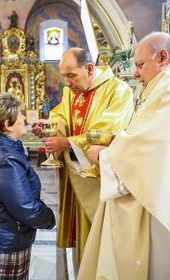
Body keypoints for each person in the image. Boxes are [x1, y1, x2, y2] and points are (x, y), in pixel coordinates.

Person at [73, 32, 170, 280]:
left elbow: (152, 151)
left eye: (140, 65)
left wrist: (104, 156)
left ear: (162, 57)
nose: (136, 73)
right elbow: (164, 142)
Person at [31, 47, 134, 264]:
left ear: (89, 68)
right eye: (64, 76)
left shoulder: (118, 91)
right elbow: (61, 116)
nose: (66, 83)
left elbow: (107, 133)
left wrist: (67, 142)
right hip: (74, 176)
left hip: (98, 183)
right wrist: (49, 126)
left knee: (101, 243)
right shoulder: (72, 90)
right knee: (80, 241)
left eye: (71, 75)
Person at [0, 94, 55, 280]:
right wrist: (50, 218)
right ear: (8, 124)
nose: (25, 118)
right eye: (21, 115)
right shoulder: (5, 157)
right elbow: (25, 207)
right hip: (3, 242)